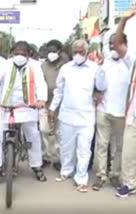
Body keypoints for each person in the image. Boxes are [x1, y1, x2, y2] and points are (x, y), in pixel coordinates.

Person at [48, 40, 107, 193]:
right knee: (67, 147)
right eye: (75, 51)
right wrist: (53, 108)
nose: (78, 54)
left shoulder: (94, 68)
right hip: (67, 115)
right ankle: (66, 171)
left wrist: (101, 67)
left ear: (86, 52)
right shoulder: (66, 68)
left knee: (84, 149)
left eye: (81, 51)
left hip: (86, 117)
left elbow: (101, 86)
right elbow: (59, 90)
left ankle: (81, 178)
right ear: (71, 52)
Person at [0, 41, 48, 182]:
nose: (19, 56)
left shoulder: (35, 66)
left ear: (29, 55)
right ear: (12, 53)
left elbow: (41, 84)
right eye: (17, 53)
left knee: (33, 134)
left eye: (23, 54)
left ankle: (36, 166)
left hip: (27, 107)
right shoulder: (4, 64)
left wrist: (41, 100)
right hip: (6, 107)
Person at [92, 34, 130, 191]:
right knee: (101, 144)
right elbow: (100, 87)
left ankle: (115, 175)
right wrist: (100, 67)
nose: (112, 47)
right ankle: (101, 175)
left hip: (122, 112)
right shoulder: (104, 63)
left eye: (116, 44)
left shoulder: (129, 63)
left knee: (118, 146)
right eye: (110, 44)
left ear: (123, 45)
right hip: (104, 110)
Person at [114, 8, 136, 198]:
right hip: (134, 118)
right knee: (128, 154)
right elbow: (118, 44)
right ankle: (129, 184)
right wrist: (123, 20)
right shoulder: (133, 61)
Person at [39, 40, 69, 171]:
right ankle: (45, 156)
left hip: (61, 104)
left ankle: (57, 159)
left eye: (53, 51)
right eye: (49, 51)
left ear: (59, 51)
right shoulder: (43, 66)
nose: (51, 53)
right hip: (45, 103)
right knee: (43, 129)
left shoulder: (65, 66)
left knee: (58, 133)